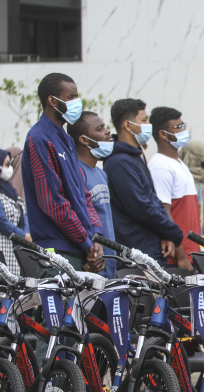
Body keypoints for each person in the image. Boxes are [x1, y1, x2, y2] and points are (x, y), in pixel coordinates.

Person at [21, 72, 103, 274]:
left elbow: (83, 194)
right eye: (71, 97)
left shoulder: (66, 139)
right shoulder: (39, 138)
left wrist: (95, 238)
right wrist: (86, 242)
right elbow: (52, 203)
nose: (77, 102)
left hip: (78, 247)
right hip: (56, 252)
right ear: (52, 100)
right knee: (61, 306)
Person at [104, 98, 183, 266]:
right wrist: (174, 232)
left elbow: (154, 199)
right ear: (128, 125)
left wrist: (165, 234)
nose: (149, 124)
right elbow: (141, 207)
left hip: (151, 249)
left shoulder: (135, 157)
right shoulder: (120, 163)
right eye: (144, 120)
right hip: (136, 256)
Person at [66, 111, 118, 278]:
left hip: (109, 259)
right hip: (92, 261)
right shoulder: (76, 172)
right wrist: (90, 250)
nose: (107, 131)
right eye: (100, 128)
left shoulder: (101, 173)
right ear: (84, 139)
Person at [148, 106, 199, 270]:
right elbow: (164, 213)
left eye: (184, 126)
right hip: (176, 260)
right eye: (178, 128)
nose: (184, 131)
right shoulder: (159, 166)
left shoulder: (179, 163)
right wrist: (181, 256)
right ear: (163, 134)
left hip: (191, 255)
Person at [0, 149, 29, 275]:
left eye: (10, 164)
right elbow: (3, 222)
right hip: (3, 246)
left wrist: (27, 233)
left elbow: (23, 212)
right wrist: (24, 236)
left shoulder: (10, 190)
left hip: (15, 247)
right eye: (6, 165)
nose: (9, 168)